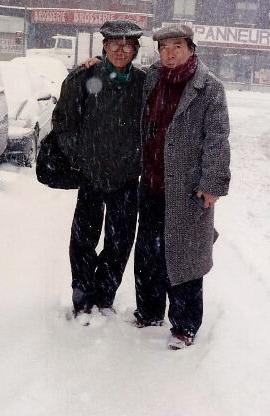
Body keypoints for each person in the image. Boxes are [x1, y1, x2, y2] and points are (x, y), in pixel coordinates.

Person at [134, 23, 230, 349]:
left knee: (184, 257)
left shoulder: (209, 88)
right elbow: (119, 72)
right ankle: (149, 311)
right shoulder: (152, 79)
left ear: (191, 48)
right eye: (163, 47)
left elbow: (217, 139)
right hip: (151, 184)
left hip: (187, 190)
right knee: (149, 254)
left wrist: (212, 184)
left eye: (176, 46)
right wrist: (92, 64)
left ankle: (185, 325)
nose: (169, 53)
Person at [52, 19, 146, 324]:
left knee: (120, 241)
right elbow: (63, 122)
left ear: (136, 50)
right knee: (83, 239)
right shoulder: (84, 77)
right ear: (104, 46)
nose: (120, 51)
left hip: (126, 177)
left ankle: (105, 295)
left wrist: (136, 159)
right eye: (114, 45)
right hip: (91, 175)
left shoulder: (144, 83)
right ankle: (81, 297)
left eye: (127, 47)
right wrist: (82, 158)